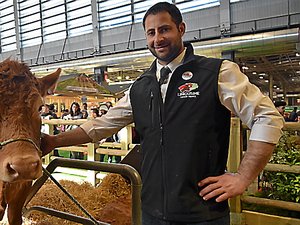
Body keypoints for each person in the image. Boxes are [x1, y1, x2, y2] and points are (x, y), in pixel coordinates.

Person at [41, 2, 284, 224]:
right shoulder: (140, 86)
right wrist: (54, 141)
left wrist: (243, 177)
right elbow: (101, 125)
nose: (158, 38)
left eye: (164, 29)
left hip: (203, 214)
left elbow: (267, 117)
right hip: (151, 213)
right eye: (151, 32)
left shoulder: (216, 73)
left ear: (181, 29)